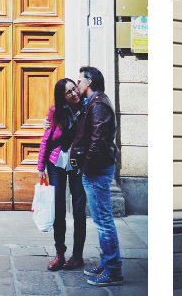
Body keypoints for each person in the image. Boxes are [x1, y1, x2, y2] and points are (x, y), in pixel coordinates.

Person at [70, 66, 123, 287]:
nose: (77, 85)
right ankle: (107, 263)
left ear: (89, 81)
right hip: (96, 168)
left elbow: (99, 140)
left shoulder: (99, 104)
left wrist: (87, 168)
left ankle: (113, 271)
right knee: (102, 220)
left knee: (103, 221)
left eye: (79, 81)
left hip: (96, 170)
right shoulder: (94, 103)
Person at [38, 78, 86, 271]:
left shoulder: (87, 108)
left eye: (74, 88)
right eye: (68, 92)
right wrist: (41, 164)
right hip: (56, 162)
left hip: (78, 163)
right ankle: (59, 253)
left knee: (79, 209)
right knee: (58, 208)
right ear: (62, 96)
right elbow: (47, 138)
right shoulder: (55, 111)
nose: (74, 93)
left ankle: (77, 255)